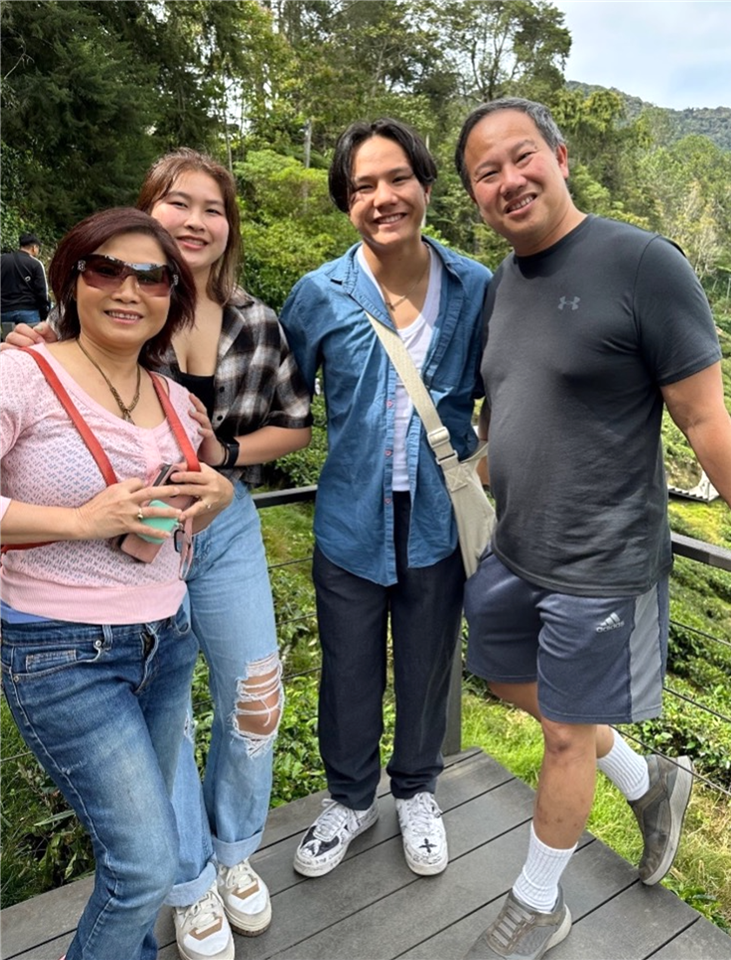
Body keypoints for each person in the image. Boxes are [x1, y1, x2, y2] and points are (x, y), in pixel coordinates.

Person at [453, 98, 731, 960]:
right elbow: (505, 404)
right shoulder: (500, 283)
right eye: (485, 172)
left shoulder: (642, 263)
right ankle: (649, 781)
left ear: (560, 155)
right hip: (514, 548)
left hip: (603, 562)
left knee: (567, 732)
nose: (508, 180)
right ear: (474, 193)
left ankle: (537, 903)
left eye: (521, 156)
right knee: (501, 679)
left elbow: (706, 419)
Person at [6, 150, 313, 960]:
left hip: (214, 518)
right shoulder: (66, 334)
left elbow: (294, 423)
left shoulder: (252, 321)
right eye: (177, 202)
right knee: (155, 748)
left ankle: (233, 853)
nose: (195, 220)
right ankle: (181, 880)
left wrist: (225, 462)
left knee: (253, 691)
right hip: (87, 579)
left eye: (213, 207)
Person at [0, 207, 234, 960]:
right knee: (143, 868)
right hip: (61, 654)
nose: (128, 289)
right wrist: (77, 522)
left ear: (174, 295)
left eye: (153, 276)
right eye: (106, 269)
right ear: (70, 278)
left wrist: (216, 490)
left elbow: (200, 475)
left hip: (165, 643)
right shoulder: (21, 375)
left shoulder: (172, 397)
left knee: (152, 845)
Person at [280, 118, 490, 880]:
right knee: (348, 668)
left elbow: (504, 389)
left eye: (396, 178)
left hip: (437, 518)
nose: (382, 197)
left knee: (430, 664)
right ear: (346, 202)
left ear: (426, 186)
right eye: (362, 185)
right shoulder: (318, 294)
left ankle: (417, 790)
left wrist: (490, 462)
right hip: (348, 517)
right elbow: (282, 400)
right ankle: (347, 798)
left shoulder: (474, 286)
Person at [0, 232, 50, 339]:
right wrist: (44, 314)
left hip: (5, 311)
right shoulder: (35, 264)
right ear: (34, 248)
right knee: (33, 344)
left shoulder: (2, 260)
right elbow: (42, 292)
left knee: (9, 346)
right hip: (29, 311)